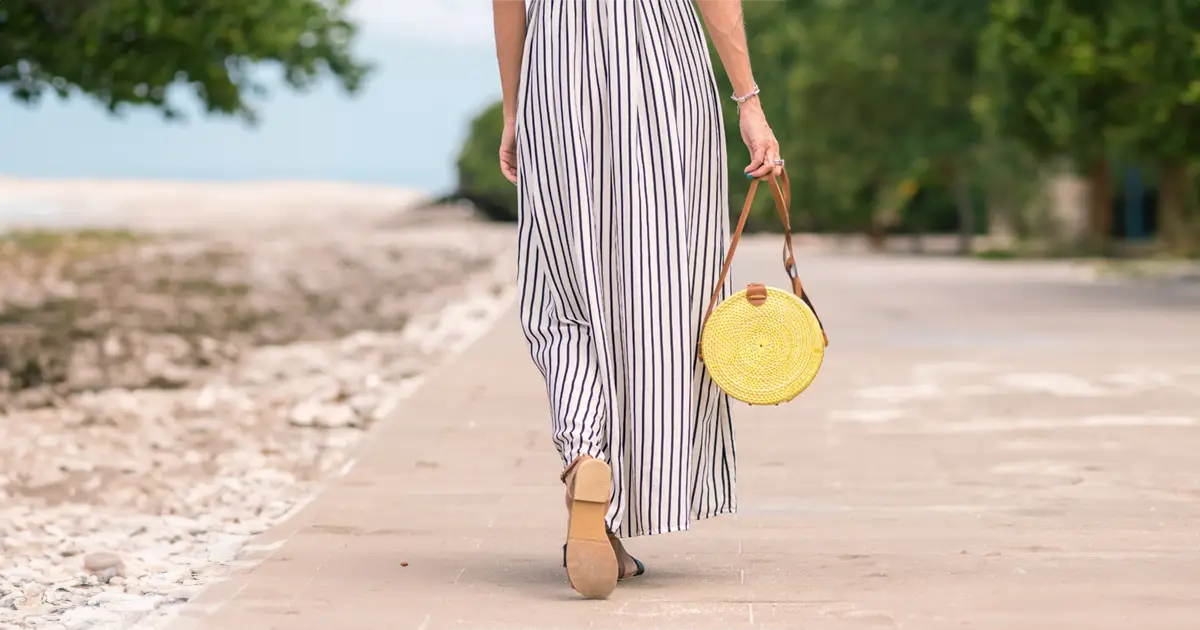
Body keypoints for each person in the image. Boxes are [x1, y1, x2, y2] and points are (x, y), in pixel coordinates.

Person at [491, 0, 784, 599]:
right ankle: (624, 498)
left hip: (558, 70)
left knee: (566, 289)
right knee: (663, 291)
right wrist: (748, 103)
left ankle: (585, 456)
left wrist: (515, 105)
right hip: (664, 67)